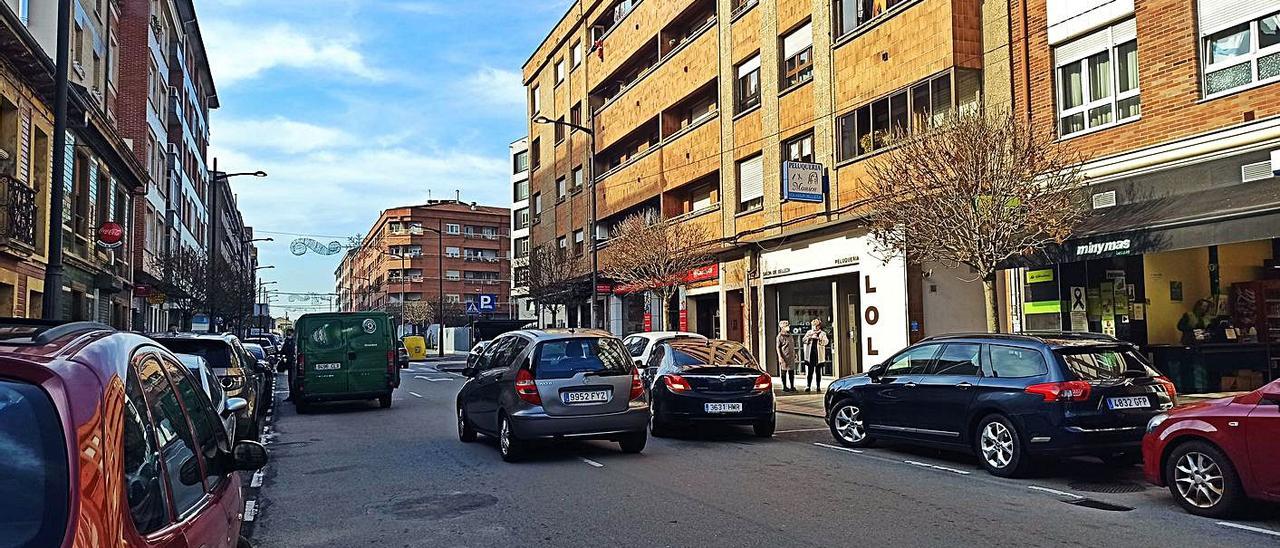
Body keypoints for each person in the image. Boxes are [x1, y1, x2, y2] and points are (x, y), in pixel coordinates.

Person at [802, 318, 829, 392]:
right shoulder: (809, 332)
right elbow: (803, 340)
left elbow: (826, 342)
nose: (814, 327)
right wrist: (809, 337)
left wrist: (819, 339)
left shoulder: (822, 333)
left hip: (818, 355)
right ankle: (808, 386)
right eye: (813, 325)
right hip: (810, 355)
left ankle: (818, 386)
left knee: (818, 372)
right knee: (810, 372)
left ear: (819, 326)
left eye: (816, 326)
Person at [776, 320, 795, 392]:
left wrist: (794, 354)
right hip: (784, 356)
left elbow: (792, 345)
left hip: (791, 356)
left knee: (791, 371)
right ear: (782, 327)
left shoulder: (790, 335)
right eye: (787, 326)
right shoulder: (780, 336)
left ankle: (792, 386)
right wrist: (780, 357)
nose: (788, 327)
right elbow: (778, 347)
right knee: (784, 371)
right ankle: (784, 386)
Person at [282, 328, 297, 402]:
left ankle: (293, 396)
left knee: (292, 380)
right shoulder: (287, 341)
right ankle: (291, 395)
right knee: (290, 379)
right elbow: (283, 350)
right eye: (287, 333)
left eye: (289, 333)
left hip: (293, 363)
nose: (288, 335)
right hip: (289, 362)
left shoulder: (294, 341)